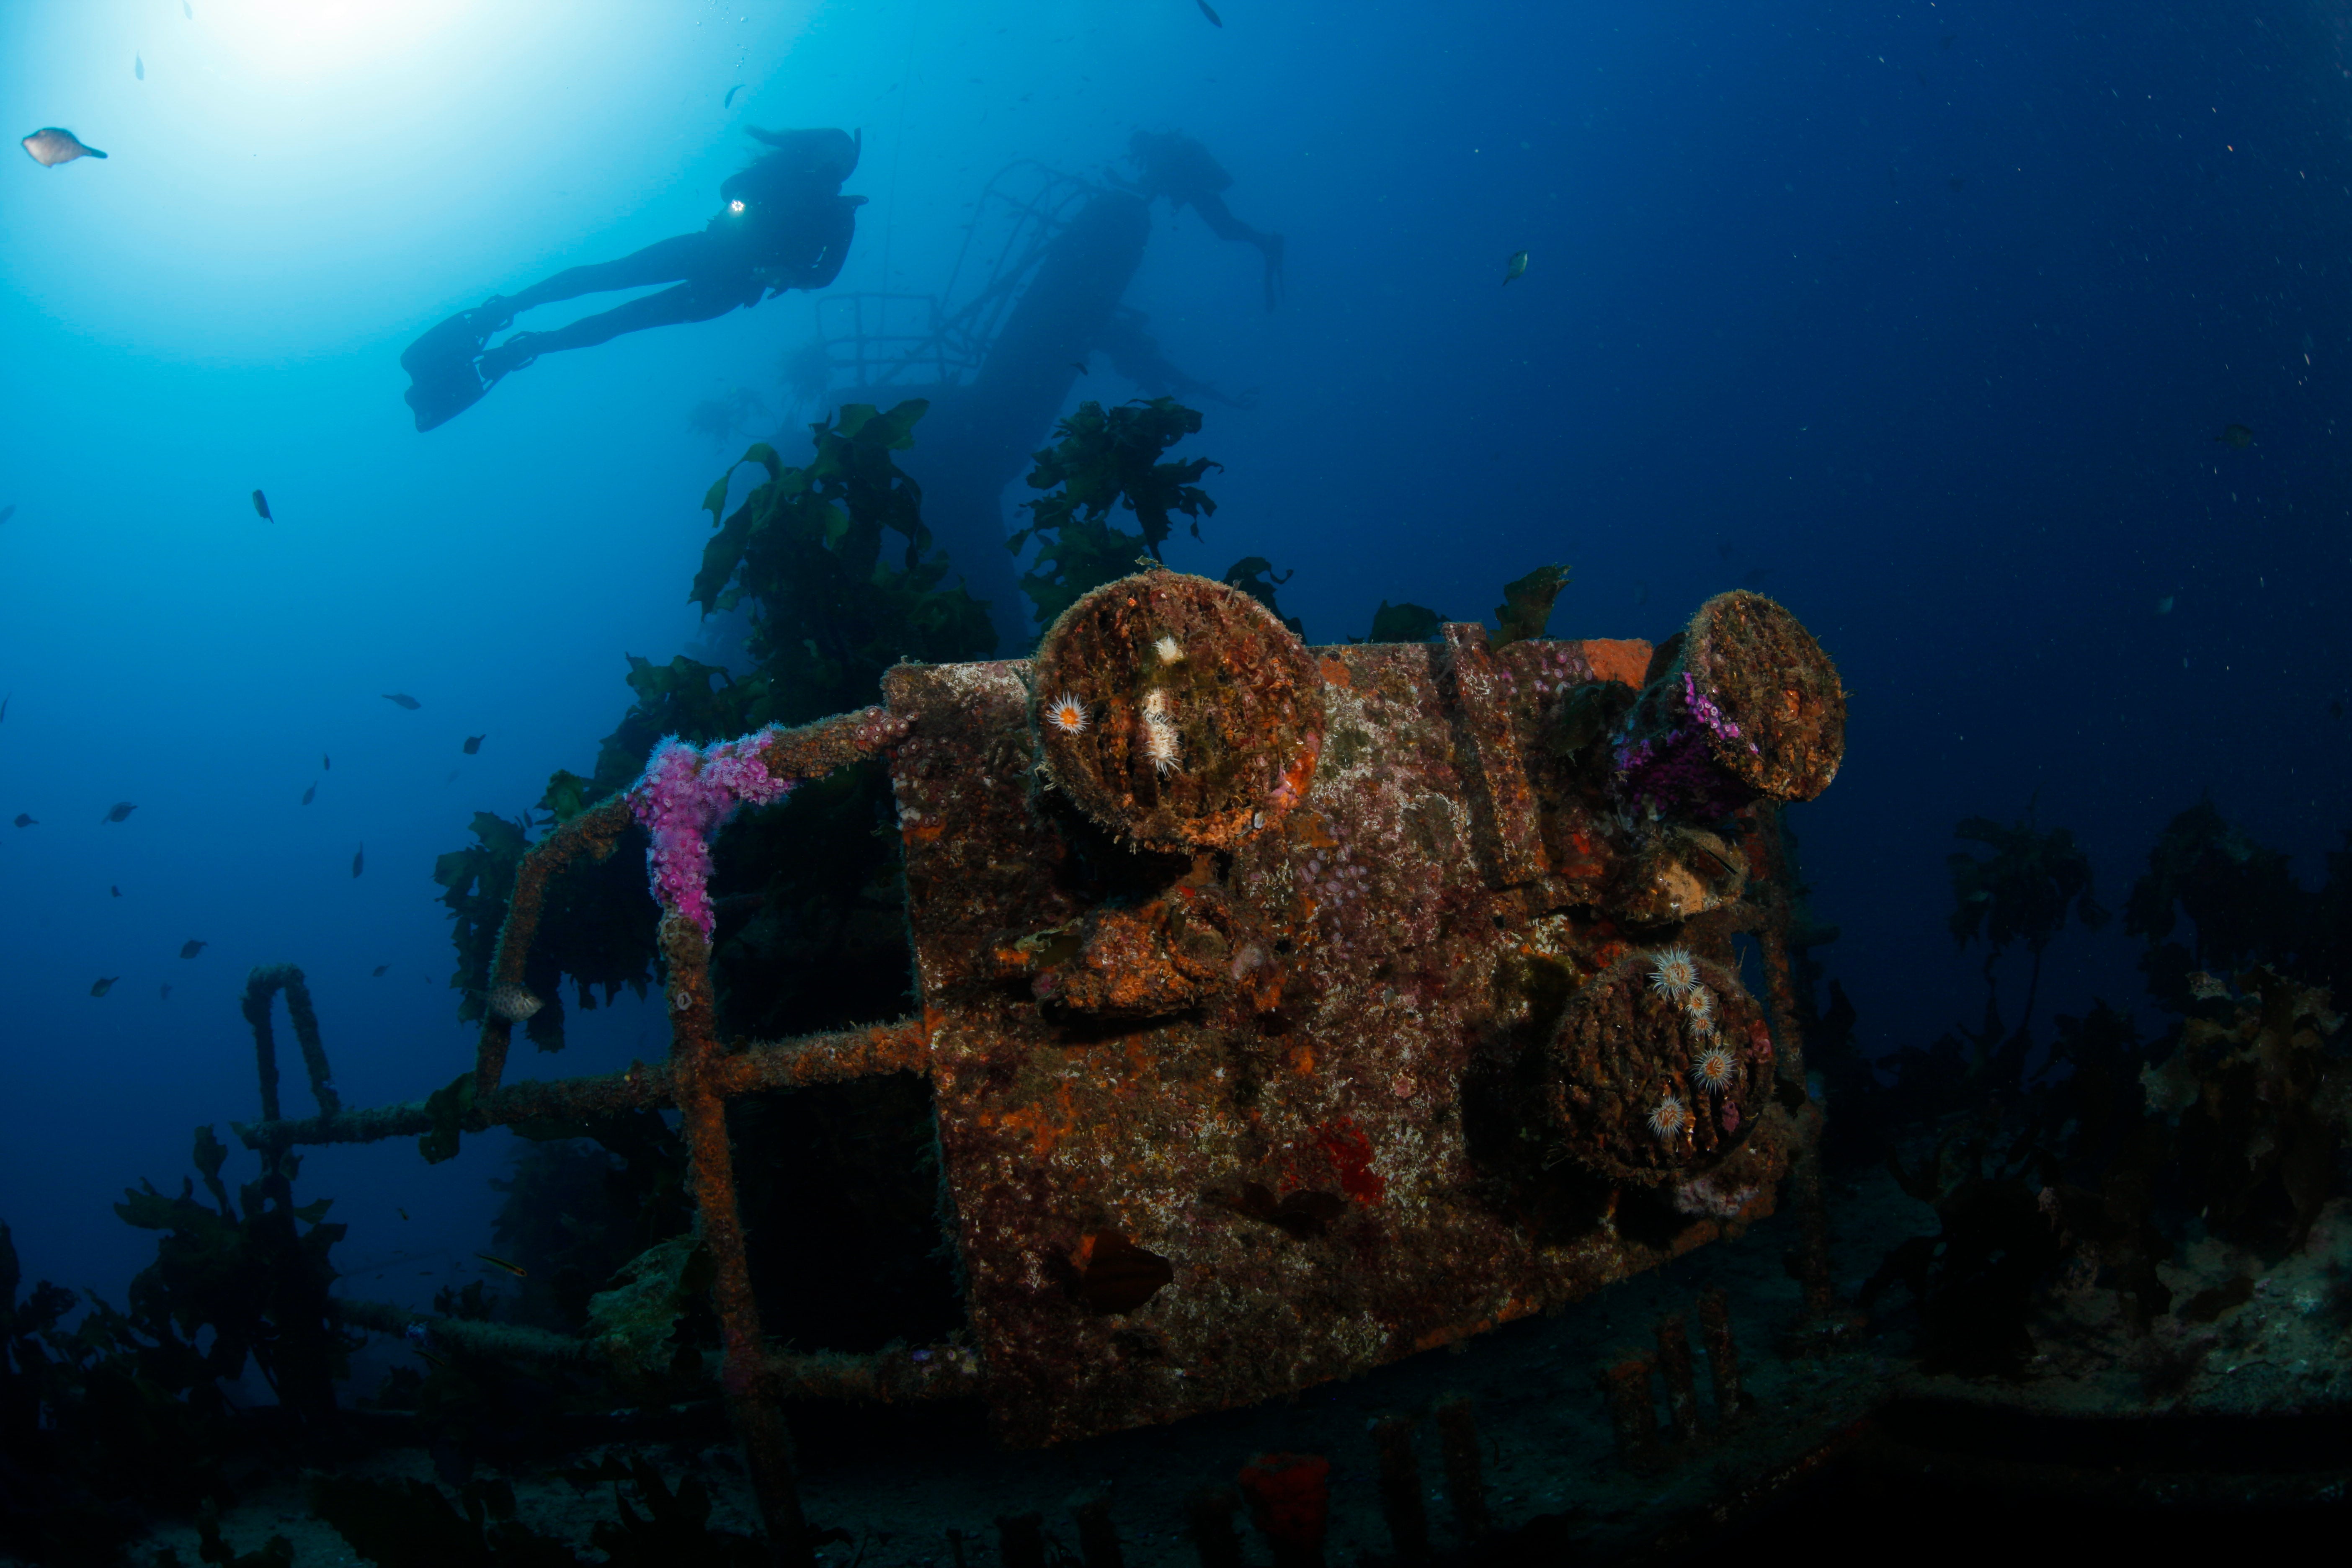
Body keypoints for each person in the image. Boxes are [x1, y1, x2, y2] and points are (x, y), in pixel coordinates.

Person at [402, 127, 866, 431]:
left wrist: (788, 273)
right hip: (705, 252)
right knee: (607, 276)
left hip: (727, 289)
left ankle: (524, 349)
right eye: (834, 152)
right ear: (812, 148)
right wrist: (777, 182)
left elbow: (825, 276)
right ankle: (504, 311)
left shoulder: (840, 216)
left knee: (621, 321)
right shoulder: (782, 174)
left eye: (846, 160)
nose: (838, 164)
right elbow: (731, 190)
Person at [1117, 129, 1284, 309]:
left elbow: (1149, 189)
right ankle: (1266, 243)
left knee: (1225, 229)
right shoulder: (1163, 150)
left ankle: (1267, 242)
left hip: (1199, 193)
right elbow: (1157, 186)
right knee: (1226, 228)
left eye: (1136, 148)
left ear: (1142, 144)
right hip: (1200, 191)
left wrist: (1119, 183)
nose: (1136, 153)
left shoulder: (1157, 154)